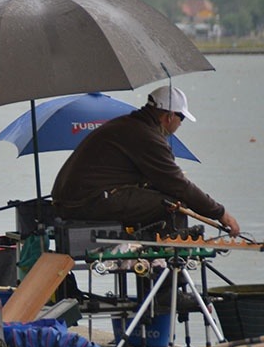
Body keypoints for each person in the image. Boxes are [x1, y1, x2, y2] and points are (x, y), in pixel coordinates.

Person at [51, 85, 240, 237]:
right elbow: (178, 186)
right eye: (181, 117)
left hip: (72, 200)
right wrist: (220, 213)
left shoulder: (129, 125)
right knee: (174, 205)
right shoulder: (146, 136)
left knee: (160, 197)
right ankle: (169, 274)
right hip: (85, 203)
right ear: (169, 116)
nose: (181, 123)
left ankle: (151, 266)